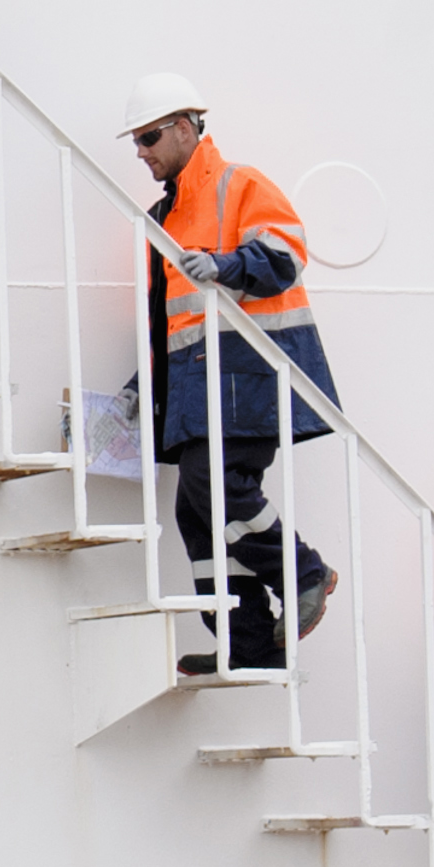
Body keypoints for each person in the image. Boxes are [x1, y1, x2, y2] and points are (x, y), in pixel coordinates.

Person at [118, 76, 336, 674]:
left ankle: (305, 572)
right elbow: (172, 316)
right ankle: (248, 644)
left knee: (216, 487)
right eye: (137, 141)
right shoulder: (163, 215)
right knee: (196, 508)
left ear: (186, 128)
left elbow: (285, 256)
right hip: (195, 384)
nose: (142, 151)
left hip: (248, 374)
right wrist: (143, 386)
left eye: (150, 137)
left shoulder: (240, 184)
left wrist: (224, 264)